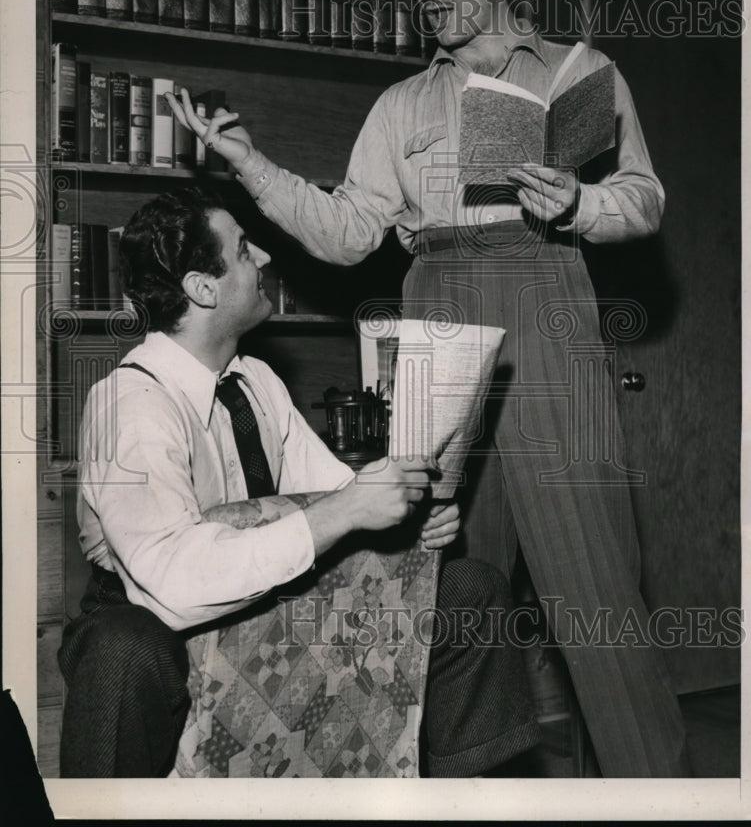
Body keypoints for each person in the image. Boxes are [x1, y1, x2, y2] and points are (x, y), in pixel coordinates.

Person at [166, 0, 691, 777]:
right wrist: (250, 165)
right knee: (443, 581)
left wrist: (581, 202)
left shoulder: (575, 72)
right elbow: (346, 233)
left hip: (545, 289)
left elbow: (644, 196)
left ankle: (654, 793)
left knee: (595, 588)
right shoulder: (402, 104)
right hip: (434, 311)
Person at [58, 186, 539, 779]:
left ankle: (456, 801)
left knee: (471, 589)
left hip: (270, 592)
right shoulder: (130, 403)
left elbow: (334, 489)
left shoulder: (254, 380)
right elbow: (170, 584)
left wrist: (406, 511)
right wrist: (343, 512)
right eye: (241, 250)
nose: (262, 257)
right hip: (154, 608)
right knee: (123, 652)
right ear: (202, 288)